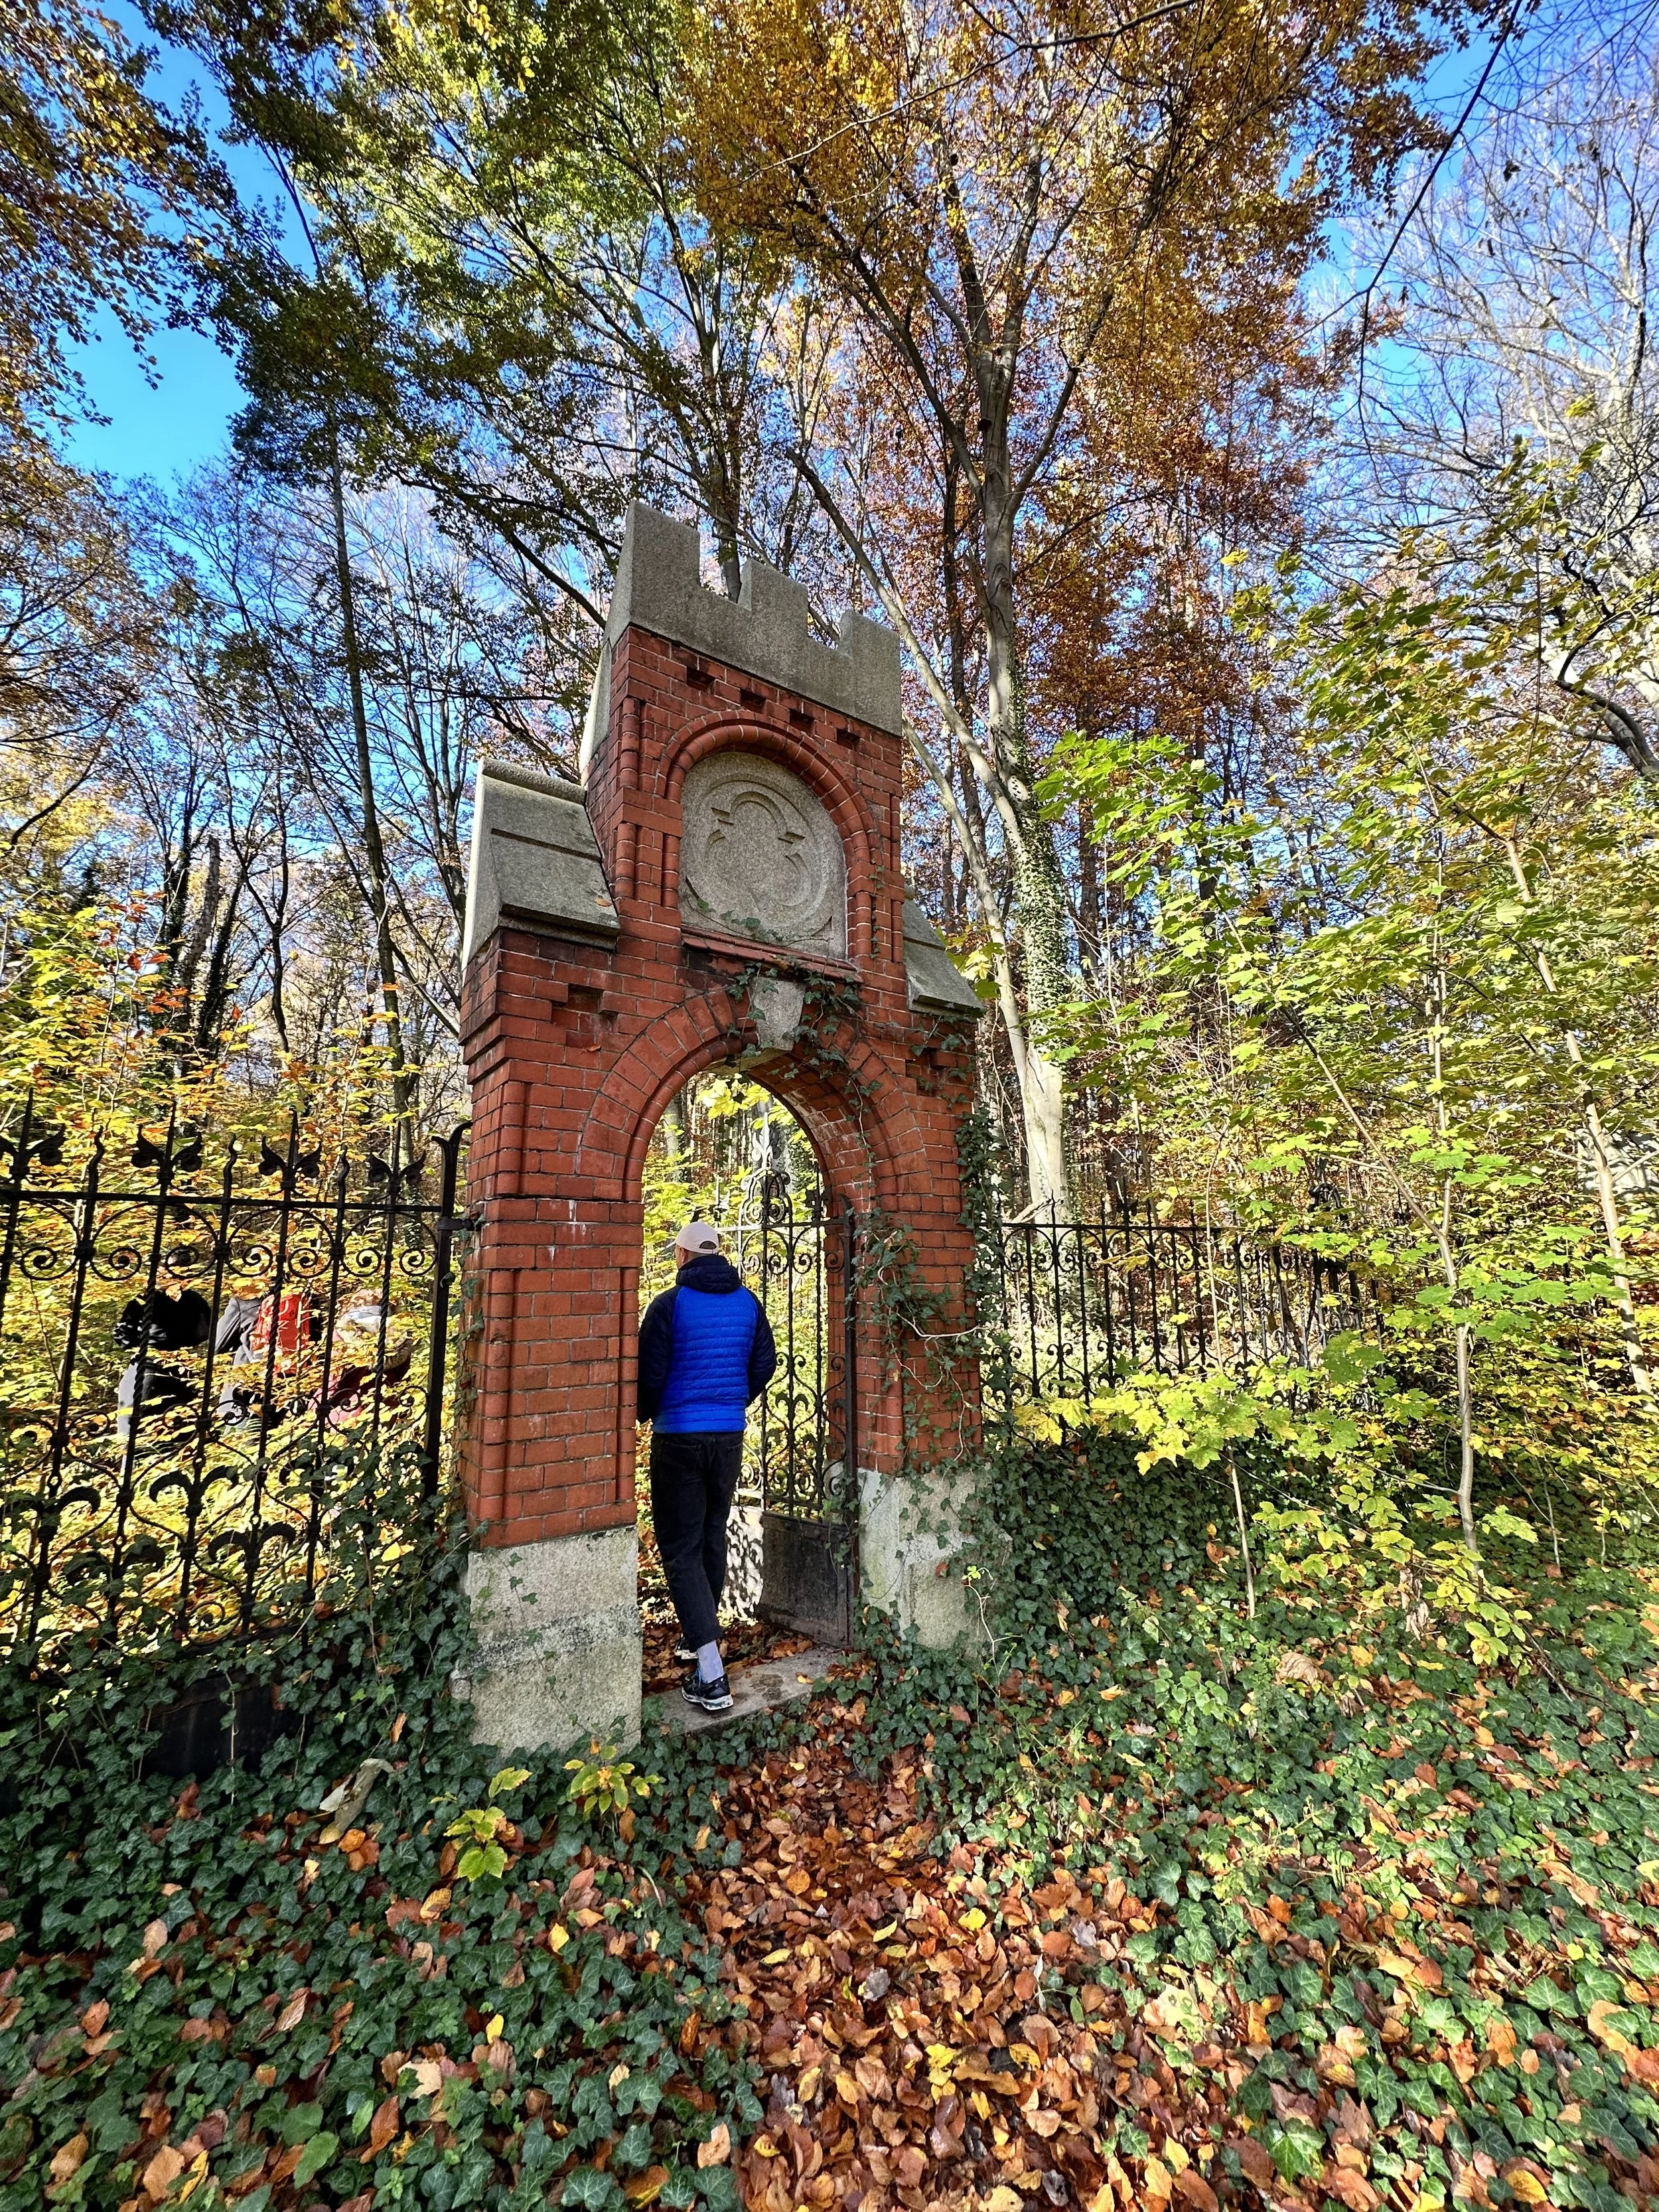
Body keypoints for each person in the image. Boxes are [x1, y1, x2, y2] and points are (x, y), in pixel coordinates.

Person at [637, 1220, 776, 1712]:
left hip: (678, 1435)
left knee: (679, 1547)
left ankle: (713, 1677)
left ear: (682, 1254)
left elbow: (649, 1372)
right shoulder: (748, 1303)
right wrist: (734, 1400)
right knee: (712, 1533)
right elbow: (765, 1363)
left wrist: (645, 1412)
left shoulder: (669, 1306)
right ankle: (700, 1640)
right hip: (728, 1434)